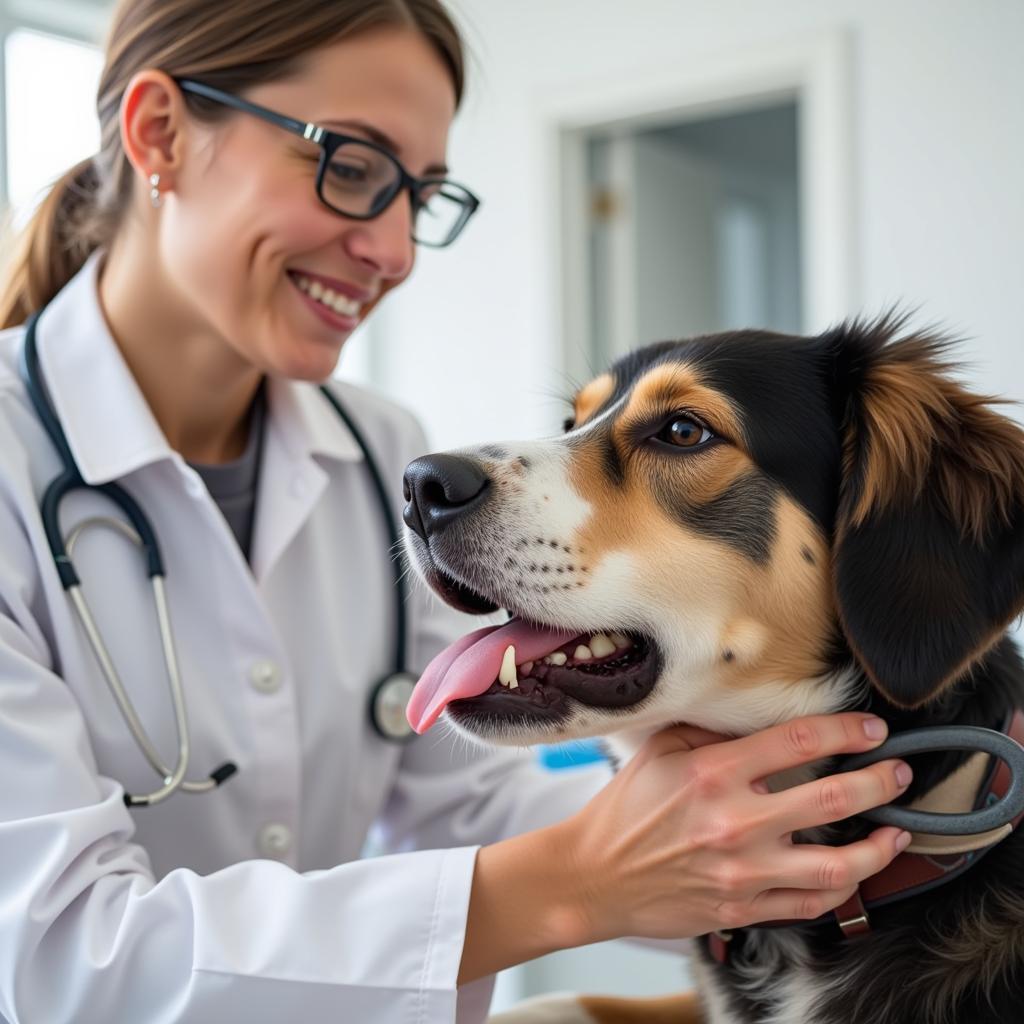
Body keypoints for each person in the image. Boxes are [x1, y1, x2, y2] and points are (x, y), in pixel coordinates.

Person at [0, 1, 914, 1021]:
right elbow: (58, 960)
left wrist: (835, 830)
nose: (393, 251)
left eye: (420, 197)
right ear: (159, 132)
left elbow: (475, 800)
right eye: (351, 167)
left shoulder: (375, 449)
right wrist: (575, 881)